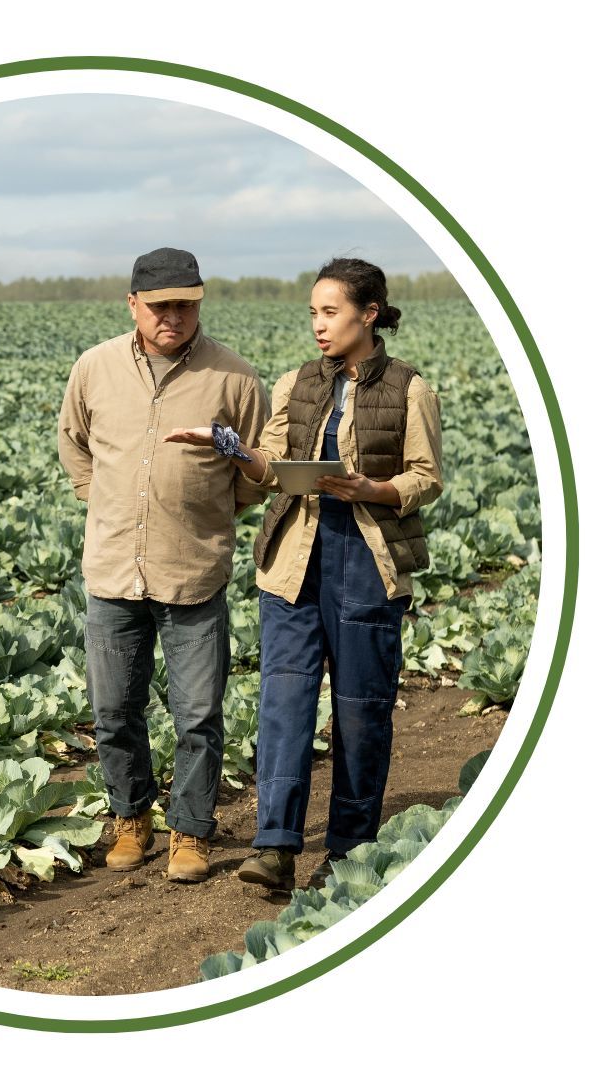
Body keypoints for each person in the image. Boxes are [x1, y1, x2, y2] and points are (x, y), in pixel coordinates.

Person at [163, 257, 443, 891]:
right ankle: (276, 846)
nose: (318, 325)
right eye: (313, 313)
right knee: (284, 704)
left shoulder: (409, 389)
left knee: (360, 709)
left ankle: (348, 849)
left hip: (368, 561)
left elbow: (426, 479)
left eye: (331, 312)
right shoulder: (294, 384)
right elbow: (269, 469)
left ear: (368, 314)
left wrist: (373, 487)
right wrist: (230, 446)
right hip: (293, 561)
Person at [57, 247, 271, 883]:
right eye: (159, 306)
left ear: (199, 302)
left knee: (198, 715)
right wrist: (101, 498)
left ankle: (191, 831)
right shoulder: (94, 368)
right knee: (113, 710)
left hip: (192, 571)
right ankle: (131, 817)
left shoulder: (234, 379)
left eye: (184, 304)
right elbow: (73, 441)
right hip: (114, 569)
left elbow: (256, 469)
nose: (171, 316)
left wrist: (203, 514)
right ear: (133, 306)